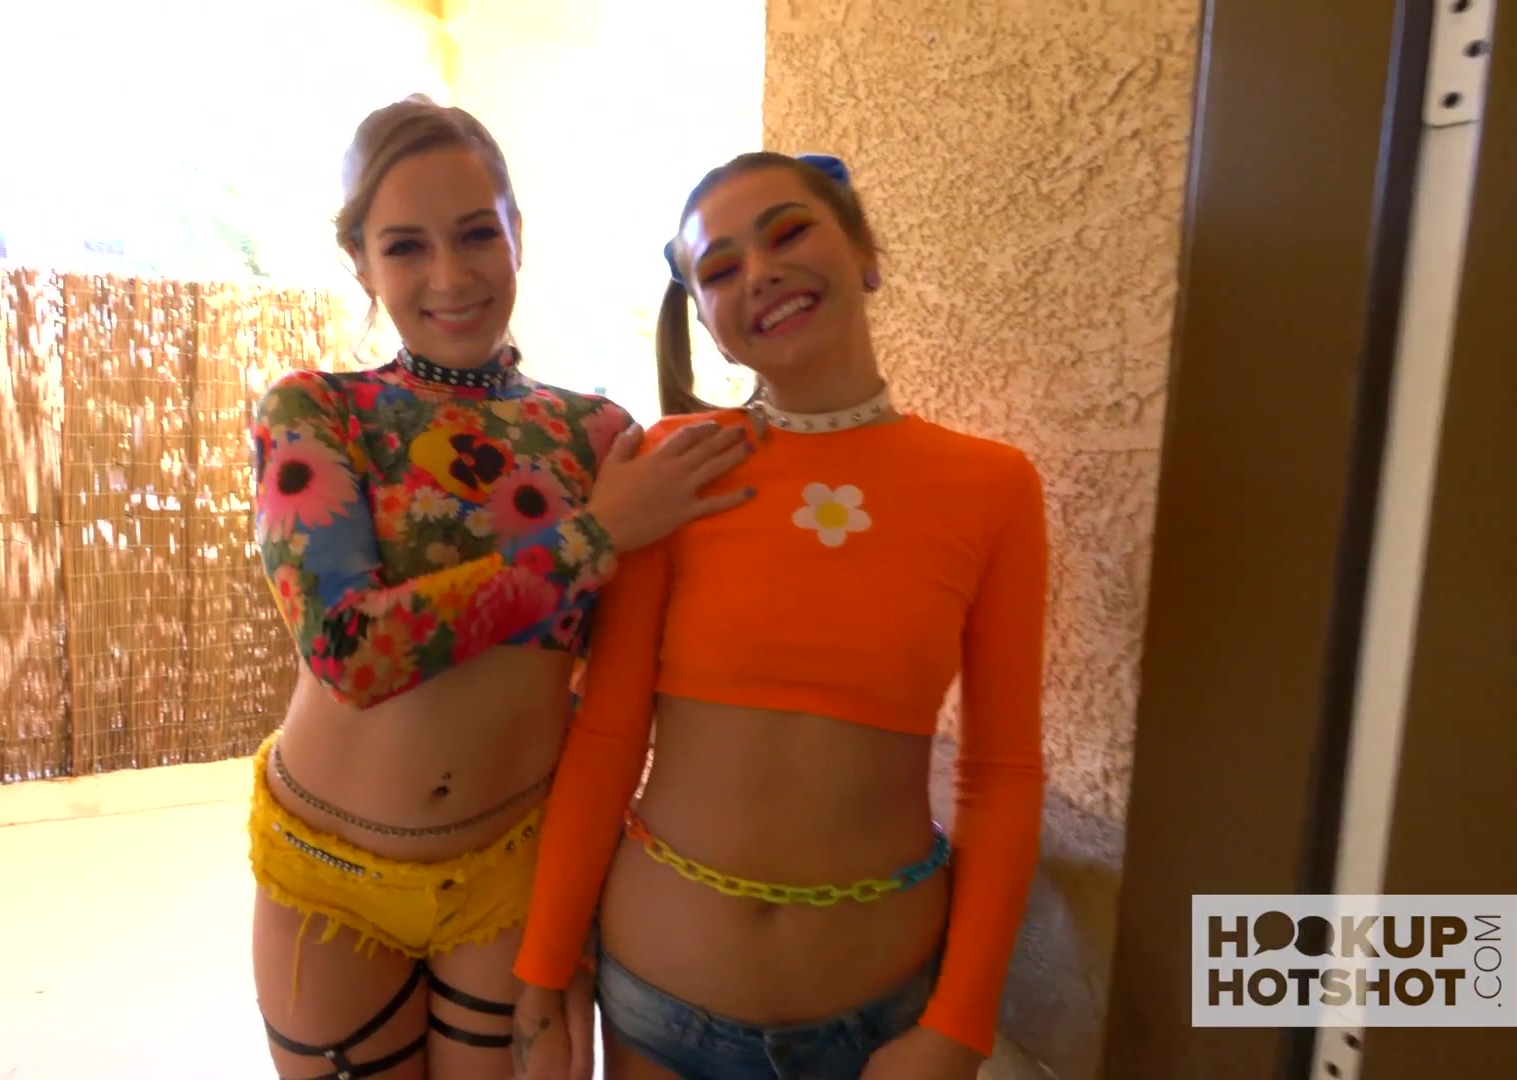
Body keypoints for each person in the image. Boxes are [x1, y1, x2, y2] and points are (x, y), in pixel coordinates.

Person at [246, 95, 755, 1080]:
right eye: (405, 247)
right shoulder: (313, 411)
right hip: (329, 874)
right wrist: (593, 537)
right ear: (361, 263)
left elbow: (629, 666)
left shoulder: (598, 436)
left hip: (518, 868)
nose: (450, 275)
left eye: (478, 232)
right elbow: (349, 653)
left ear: (519, 230)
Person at [509, 151, 1049, 1079]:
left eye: (789, 232)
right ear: (710, 325)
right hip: (655, 1013)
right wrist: (542, 970)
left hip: (882, 1027)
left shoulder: (992, 488)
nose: (759, 271)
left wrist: (962, 1023)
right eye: (720, 269)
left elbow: (1001, 775)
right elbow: (606, 732)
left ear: (865, 253)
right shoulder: (676, 465)